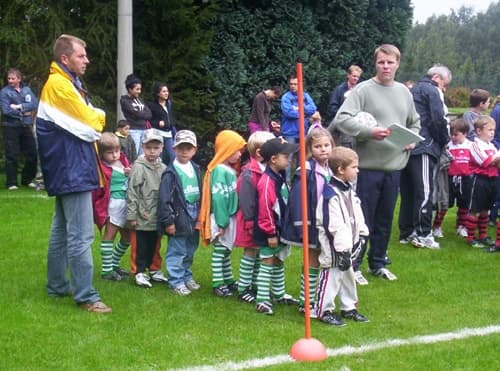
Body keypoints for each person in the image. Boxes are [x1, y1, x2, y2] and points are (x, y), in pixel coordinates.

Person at [330, 44, 420, 282]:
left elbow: (415, 123)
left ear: (398, 64)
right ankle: (355, 266)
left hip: (394, 168)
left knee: (384, 219)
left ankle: (378, 263)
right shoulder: (363, 89)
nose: (386, 66)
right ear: (375, 64)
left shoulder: (404, 92)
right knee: (363, 220)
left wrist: (411, 141)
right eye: (381, 62)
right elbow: (342, 120)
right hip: (367, 169)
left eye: (390, 62)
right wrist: (369, 131)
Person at [36, 34, 111, 313]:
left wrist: (93, 115)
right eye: (81, 55)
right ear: (65, 58)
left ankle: (57, 285)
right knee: (80, 235)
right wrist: (100, 115)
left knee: (61, 230)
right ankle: (86, 295)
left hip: (68, 167)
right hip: (72, 169)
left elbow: (87, 121)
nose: (87, 60)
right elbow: (92, 126)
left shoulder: (68, 83)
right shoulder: (60, 86)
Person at [281, 127, 334, 316]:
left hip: (329, 221)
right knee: (311, 259)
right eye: (318, 146)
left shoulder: (332, 169)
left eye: (327, 145)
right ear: (311, 148)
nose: (323, 149)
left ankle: (319, 297)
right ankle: (306, 301)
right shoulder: (307, 169)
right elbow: (298, 199)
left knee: (325, 259)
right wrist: (301, 223)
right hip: (313, 220)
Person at [398, 64, 451, 250]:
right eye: (445, 84)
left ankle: (406, 232)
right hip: (425, 145)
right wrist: (444, 140)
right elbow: (438, 119)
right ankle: (424, 234)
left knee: (408, 192)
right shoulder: (431, 89)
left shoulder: (410, 91)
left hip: (406, 144)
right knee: (425, 190)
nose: (444, 88)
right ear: (437, 77)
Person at [315, 147, 369, 326]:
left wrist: (362, 235)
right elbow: (334, 225)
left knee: (348, 275)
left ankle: (349, 306)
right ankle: (324, 309)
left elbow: (357, 215)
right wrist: (342, 249)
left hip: (349, 244)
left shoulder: (349, 192)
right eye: (354, 167)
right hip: (334, 245)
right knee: (331, 274)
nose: (357, 170)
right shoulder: (331, 195)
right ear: (341, 169)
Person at [253, 137, 299, 315]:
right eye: (286, 156)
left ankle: (279, 294)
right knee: (267, 261)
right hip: (269, 231)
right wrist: (270, 232)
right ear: (273, 159)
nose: (289, 160)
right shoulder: (267, 182)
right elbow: (265, 209)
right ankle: (262, 299)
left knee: (279, 259)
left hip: (280, 228)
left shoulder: (279, 177)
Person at [198, 130, 247, 297]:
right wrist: (222, 221)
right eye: (236, 150)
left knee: (226, 250)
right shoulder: (219, 170)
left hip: (229, 216)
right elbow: (219, 197)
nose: (240, 154)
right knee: (220, 250)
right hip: (223, 217)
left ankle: (227, 279)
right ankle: (218, 283)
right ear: (226, 149)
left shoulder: (229, 169)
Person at [158, 130, 202, 295]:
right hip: (178, 215)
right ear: (174, 149)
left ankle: (186, 275)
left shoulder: (196, 168)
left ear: (194, 150)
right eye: (181, 147)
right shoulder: (170, 173)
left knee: (190, 248)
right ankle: (175, 281)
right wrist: (168, 221)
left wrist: (201, 217)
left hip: (194, 212)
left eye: (188, 148)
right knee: (177, 250)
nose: (184, 151)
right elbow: (164, 199)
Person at [234, 130, 275, 303]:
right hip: (250, 221)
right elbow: (246, 200)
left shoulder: (268, 170)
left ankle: (256, 284)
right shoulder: (249, 174)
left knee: (259, 252)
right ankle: (243, 287)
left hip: (261, 219)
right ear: (259, 153)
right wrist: (250, 224)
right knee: (250, 252)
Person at [127, 129, 167, 288]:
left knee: (155, 243)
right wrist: (132, 215)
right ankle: (139, 271)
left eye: (156, 148)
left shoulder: (163, 167)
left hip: (157, 215)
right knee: (140, 244)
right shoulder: (138, 167)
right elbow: (132, 191)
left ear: (162, 148)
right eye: (149, 147)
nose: (152, 151)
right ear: (143, 147)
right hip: (142, 214)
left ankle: (155, 268)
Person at [92, 132, 131, 281]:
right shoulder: (102, 168)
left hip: (127, 204)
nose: (115, 155)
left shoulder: (123, 160)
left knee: (127, 238)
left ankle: (114, 264)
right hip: (113, 205)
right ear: (101, 154)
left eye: (117, 150)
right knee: (110, 236)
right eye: (110, 152)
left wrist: (130, 172)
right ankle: (106, 271)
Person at [431, 119, 471, 238]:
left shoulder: (471, 145)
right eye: (451, 134)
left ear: (465, 134)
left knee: (464, 204)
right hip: (449, 179)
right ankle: (437, 226)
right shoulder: (448, 146)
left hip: (465, 179)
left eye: (456, 135)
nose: (453, 137)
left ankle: (461, 226)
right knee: (445, 203)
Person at [465, 116, 500, 249]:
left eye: (494, 130)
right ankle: (470, 237)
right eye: (489, 130)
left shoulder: (491, 146)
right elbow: (485, 162)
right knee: (475, 208)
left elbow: (496, 164)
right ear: (479, 131)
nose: (492, 132)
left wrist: (496, 160)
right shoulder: (474, 145)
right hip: (479, 180)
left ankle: (483, 235)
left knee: (486, 209)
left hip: (492, 179)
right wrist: (496, 159)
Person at [0, 68, 38, 190]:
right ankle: (11, 183)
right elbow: (6, 110)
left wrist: (19, 107)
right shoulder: (4, 92)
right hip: (10, 127)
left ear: (19, 79)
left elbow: (34, 104)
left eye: (13, 78)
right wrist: (23, 113)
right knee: (12, 155)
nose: (10, 81)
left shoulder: (27, 90)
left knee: (32, 153)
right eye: (9, 78)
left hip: (26, 126)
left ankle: (27, 179)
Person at [281, 74, 317, 181]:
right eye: (291, 84)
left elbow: (313, 109)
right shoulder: (286, 97)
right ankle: (286, 183)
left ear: (300, 85)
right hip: (289, 132)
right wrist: (304, 113)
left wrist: (299, 108)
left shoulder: (305, 96)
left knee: (302, 159)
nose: (293, 86)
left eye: (295, 84)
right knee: (288, 159)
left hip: (303, 132)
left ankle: (300, 182)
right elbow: (288, 113)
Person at [328, 65, 363, 147]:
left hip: (356, 121)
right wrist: (342, 116)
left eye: (357, 77)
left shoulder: (360, 90)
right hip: (340, 120)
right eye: (354, 76)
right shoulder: (339, 89)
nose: (356, 79)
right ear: (348, 75)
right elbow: (332, 107)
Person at [120, 74, 152, 156]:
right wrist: (142, 114)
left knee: (143, 155)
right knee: (134, 154)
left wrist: (140, 113)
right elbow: (134, 113)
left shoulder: (140, 100)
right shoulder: (124, 100)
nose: (139, 91)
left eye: (140, 89)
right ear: (130, 89)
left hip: (144, 130)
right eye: (137, 89)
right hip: (134, 130)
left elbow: (149, 114)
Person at [148, 82, 177, 164]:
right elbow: (149, 120)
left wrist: (171, 124)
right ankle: (158, 175)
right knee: (159, 157)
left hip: (169, 134)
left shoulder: (169, 104)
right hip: (158, 134)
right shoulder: (152, 105)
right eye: (164, 91)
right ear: (158, 93)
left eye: (167, 91)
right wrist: (158, 123)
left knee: (173, 155)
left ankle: (173, 173)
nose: (166, 93)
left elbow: (170, 117)